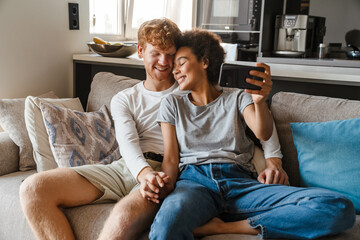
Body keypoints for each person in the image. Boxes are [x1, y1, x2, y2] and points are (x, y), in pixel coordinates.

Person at [19, 18, 282, 240]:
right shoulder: (125, 98)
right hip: (126, 166)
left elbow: (253, 118)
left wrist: (274, 162)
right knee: (34, 189)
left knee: (120, 219)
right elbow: (128, 142)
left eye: (171, 55)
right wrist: (142, 174)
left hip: (165, 171)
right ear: (141, 52)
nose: (164, 62)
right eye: (156, 53)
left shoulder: (189, 89)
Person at [148, 28, 356, 240]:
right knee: (165, 228)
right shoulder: (172, 103)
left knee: (338, 206)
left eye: (181, 63)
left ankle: (223, 228)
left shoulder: (237, 97)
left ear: (204, 61)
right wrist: (164, 185)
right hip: (194, 183)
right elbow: (171, 160)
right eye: (173, 67)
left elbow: (262, 131)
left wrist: (259, 102)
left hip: (240, 184)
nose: (175, 71)